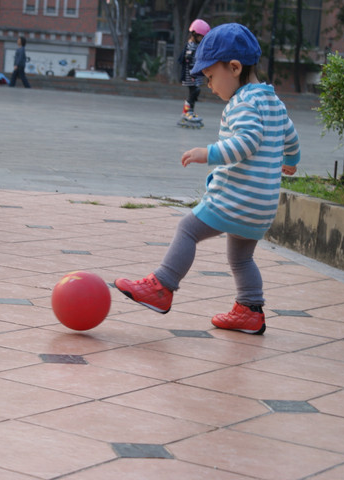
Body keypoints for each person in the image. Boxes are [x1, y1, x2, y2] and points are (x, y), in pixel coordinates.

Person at [115, 23, 300, 335]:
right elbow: (291, 138)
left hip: (235, 197)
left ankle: (162, 287)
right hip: (263, 205)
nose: (210, 87)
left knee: (188, 230)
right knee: (241, 258)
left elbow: (247, 142)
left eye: (211, 77)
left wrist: (209, 153)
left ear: (235, 68)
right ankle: (250, 310)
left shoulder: (243, 102)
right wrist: (291, 161)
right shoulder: (274, 102)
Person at [177, 19, 211, 128]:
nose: (202, 39)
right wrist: (192, 74)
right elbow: (188, 60)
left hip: (195, 75)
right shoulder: (190, 45)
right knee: (194, 92)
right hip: (190, 76)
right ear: (195, 34)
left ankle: (189, 112)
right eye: (201, 37)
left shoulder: (196, 45)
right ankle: (186, 113)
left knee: (195, 93)